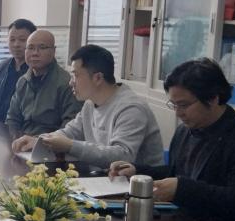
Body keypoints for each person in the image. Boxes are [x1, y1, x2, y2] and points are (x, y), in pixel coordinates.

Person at [109, 58, 235, 221]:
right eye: (174, 105)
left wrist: (182, 188)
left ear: (213, 98)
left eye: (184, 105)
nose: (178, 113)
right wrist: (137, 171)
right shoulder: (185, 131)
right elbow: (177, 172)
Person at [13, 44, 165, 169]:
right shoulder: (90, 103)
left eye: (75, 75)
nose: (70, 82)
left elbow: (122, 156)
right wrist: (39, 141)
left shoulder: (131, 108)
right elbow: (70, 132)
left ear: (98, 78)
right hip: (105, 179)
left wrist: (70, 146)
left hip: (138, 187)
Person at [6, 28, 82, 141]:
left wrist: (38, 143)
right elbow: (12, 118)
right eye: (30, 48)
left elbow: (70, 127)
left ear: (54, 51)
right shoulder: (23, 81)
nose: (35, 53)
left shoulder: (66, 83)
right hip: (23, 143)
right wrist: (16, 140)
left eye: (42, 47)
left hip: (51, 145)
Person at [0, 18, 35, 122]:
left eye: (22, 40)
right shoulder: (1, 67)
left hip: (22, 128)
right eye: (12, 40)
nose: (16, 44)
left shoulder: (37, 70)